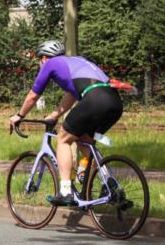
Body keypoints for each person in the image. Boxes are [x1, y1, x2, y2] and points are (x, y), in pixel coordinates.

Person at [9, 40, 123, 207]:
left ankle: (65, 191)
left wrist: (19, 115)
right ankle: (109, 184)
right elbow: (71, 94)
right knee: (85, 141)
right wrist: (54, 115)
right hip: (114, 102)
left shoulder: (50, 63)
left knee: (63, 139)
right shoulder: (78, 61)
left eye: (40, 60)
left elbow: (33, 95)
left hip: (94, 100)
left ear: (44, 58)